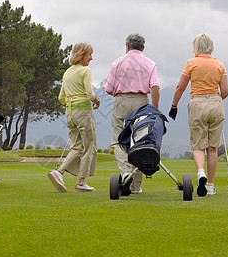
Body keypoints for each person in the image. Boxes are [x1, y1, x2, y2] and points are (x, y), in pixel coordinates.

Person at [169, 33, 228, 196]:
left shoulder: (191, 63)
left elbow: (180, 88)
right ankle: (210, 185)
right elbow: (224, 91)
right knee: (212, 147)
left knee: (198, 145)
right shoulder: (220, 65)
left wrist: (174, 106)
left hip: (197, 104)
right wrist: (218, 97)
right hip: (216, 105)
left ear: (196, 47)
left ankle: (200, 171)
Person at [103, 34, 160, 194]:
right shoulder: (150, 63)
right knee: (140, 140)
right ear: (143, 47)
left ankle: (125, 172)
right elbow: (155, 87)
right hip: (142, 102)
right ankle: (135, 186)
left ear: (127, 45)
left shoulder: (118, 62)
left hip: (122, 100)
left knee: (117, 139)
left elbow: (108, 88)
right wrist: (154, 111)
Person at [48, 43, 100, 193]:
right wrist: (96, 100)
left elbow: (61, 98)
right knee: (90, 146)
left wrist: (69, 106)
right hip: (83, 111)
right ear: (82, 54)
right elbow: (90, 95)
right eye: (89, 54)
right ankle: (80, 182)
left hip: (70, 113)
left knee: (77, 146)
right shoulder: (85, 70)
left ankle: (59, 172)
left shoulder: (67, 73)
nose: (91, 58)